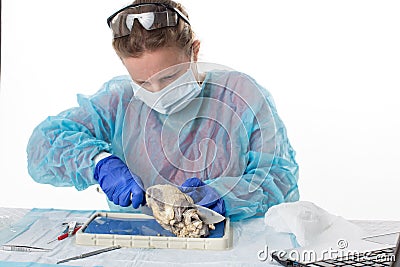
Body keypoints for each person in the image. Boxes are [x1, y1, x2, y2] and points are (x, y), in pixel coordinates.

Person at [26, 0, 299, 221]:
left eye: (169, 77)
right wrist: (98, 162)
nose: (157, 91)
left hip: (227, 244)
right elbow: (44, 145)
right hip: (136, 241)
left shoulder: (240, 95)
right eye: (142, 82)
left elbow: (278, 179)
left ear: (194, 50)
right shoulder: (119, 101)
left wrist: (223, 196)